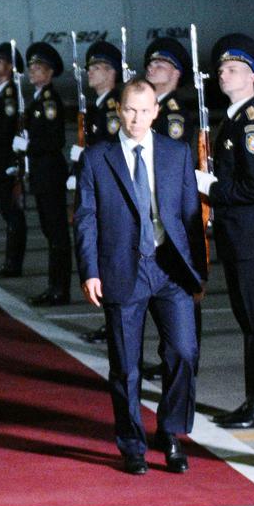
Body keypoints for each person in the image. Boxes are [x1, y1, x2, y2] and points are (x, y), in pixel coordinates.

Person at [75, 79, 206, 475]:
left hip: (170, 268)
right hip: (122, 268)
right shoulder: (97, 158)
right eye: (129, 109)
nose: (136, 118)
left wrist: (197, 273)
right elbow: (85, 218)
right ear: (119, 110)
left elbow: (189, 217)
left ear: (155, 112)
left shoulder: (177, 153)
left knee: (183, 352)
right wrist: (90, 270)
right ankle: (131, 443)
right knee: (126, 366)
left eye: (144, 110)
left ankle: (169, 431)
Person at [199, 35, 254, 429]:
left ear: (252, 75)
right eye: (220, 69)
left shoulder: (253, 124)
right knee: (248, 321)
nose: (223, 73)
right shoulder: (233, 119)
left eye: (232, 68)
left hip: (252, 239)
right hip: (238, 236)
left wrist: (211, 189)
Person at [76, 41, 125, 346]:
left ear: (111, 73)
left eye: (96, 68)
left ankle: (115, 323)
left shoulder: (113, 107)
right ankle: (111, 322)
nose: (90, 73)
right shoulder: (99, 105)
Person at [22, 42, 73, 306]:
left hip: (50, 173)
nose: (32, 71)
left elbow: (55, 140)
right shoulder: (38, 98)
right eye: (31, 66)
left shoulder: (50, 101)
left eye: (38, 67)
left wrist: (27, 145)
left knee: (57, 234)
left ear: (50, 72)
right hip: (42, 174)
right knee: (50, 232)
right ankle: (54, 286)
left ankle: (60, 289)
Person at [143, 37, 196, 147]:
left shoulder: (175, 115)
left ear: (176, 73)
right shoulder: (146, 106)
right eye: (150, 65)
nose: (150, 69)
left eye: (159, 66)